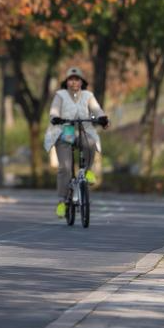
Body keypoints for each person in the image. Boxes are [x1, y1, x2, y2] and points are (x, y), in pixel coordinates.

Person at [44, 67, 108, 218]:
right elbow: (54, 110)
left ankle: (88, 171)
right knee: (65, 167)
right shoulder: (60, 95)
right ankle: (62, 202)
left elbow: (97, 109)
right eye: (71, 79)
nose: (74, 82)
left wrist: (102, 118)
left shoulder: (88, 95)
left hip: (83, 129)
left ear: (82, 82)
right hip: (66, 130)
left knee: (90, 142)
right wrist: (55, 117)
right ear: (66, 82)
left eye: (77, 79)